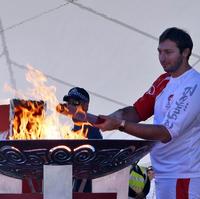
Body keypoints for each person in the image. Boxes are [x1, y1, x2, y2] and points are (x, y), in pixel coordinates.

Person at [95, 27, 200, 199]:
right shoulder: (163, 80)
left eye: (168, 52)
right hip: (163, 174)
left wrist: (120, 125)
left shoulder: (194, 86)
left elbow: (165, 133)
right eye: (159, 52)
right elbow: (136, 111)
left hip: (183, 176)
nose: (162, 58)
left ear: (185, 52)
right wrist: (111, 117)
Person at [61, 87, 103, 192]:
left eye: (75, 102)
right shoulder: (69, 131)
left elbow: (94, 162)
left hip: (83, 190)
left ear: (86, 105)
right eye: (68, 102)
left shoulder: (92, 130)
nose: (70, 106)